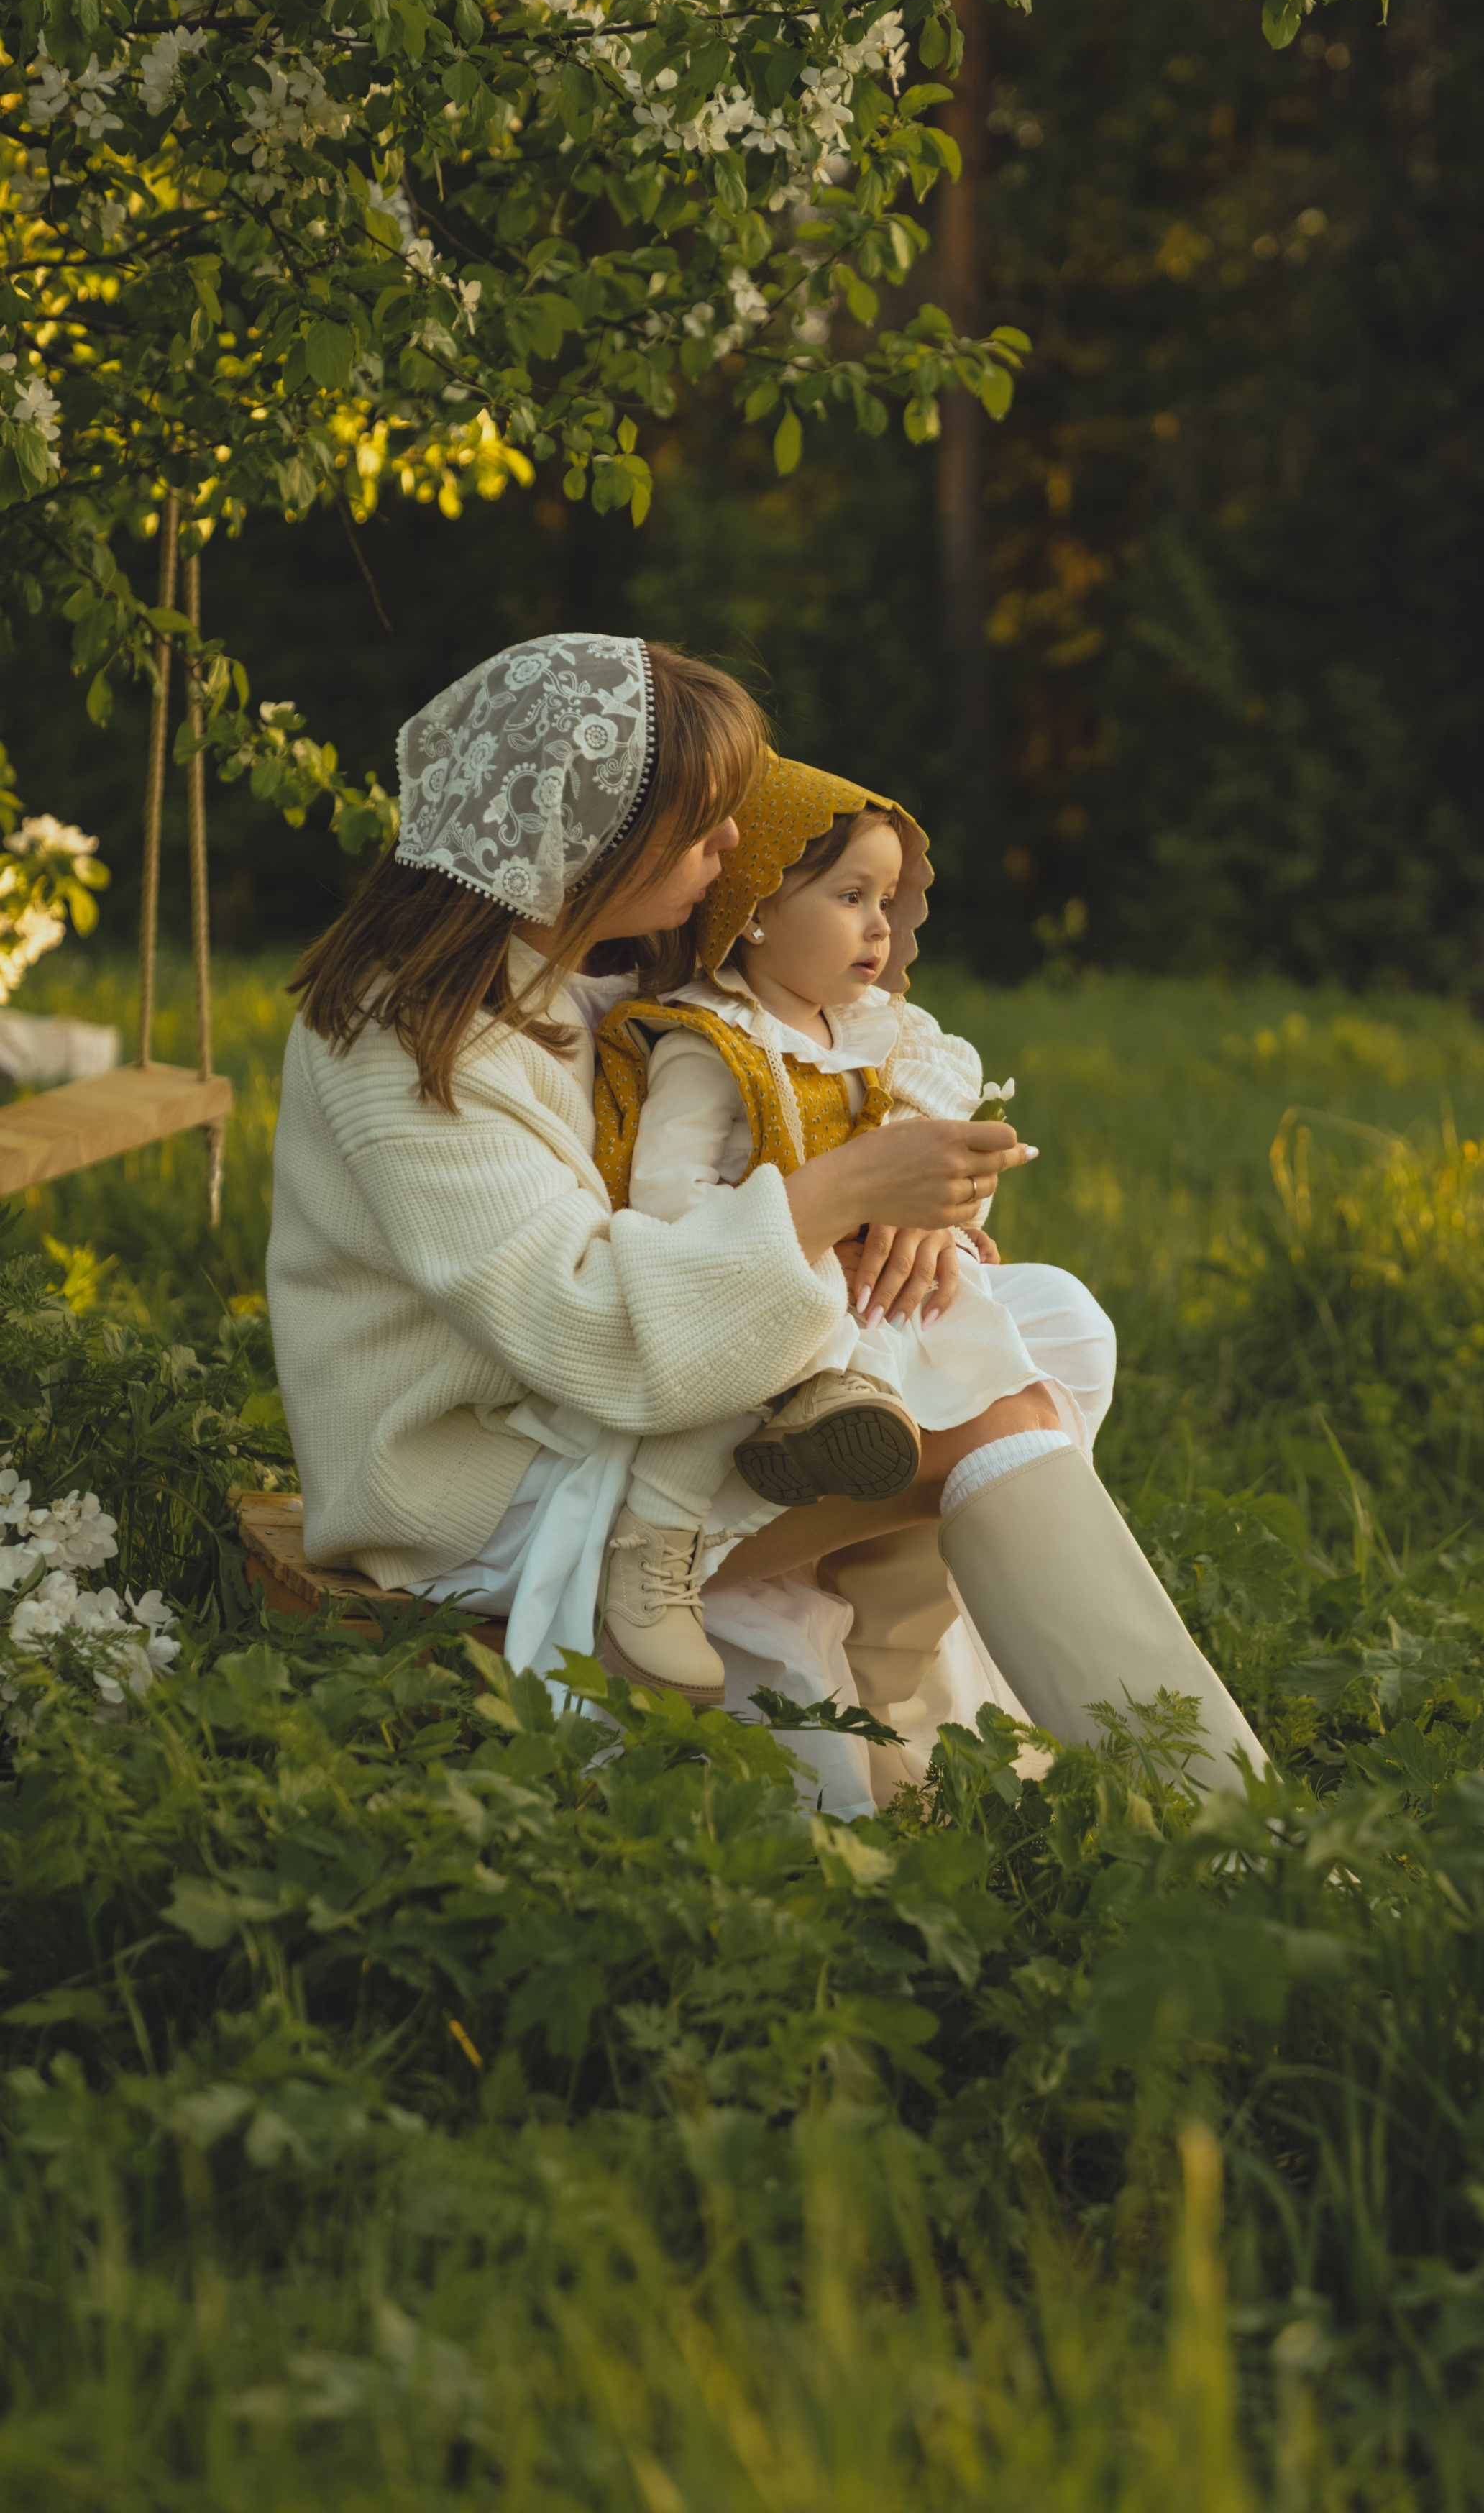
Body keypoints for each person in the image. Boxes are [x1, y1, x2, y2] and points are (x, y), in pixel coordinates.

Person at [267, 632, 1264, 1812]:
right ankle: (1220, 1815)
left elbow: (817, 1091)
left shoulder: (591, 977)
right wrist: (842, 1198)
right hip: (482, 1474)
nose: (733, 847)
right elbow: (587, 1325)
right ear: (588, 844)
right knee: (996, 1408)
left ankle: (882, 1707)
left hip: (614, 1410)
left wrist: (912, 1221)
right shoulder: (404, 1041)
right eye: (699, 826)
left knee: (1042, 1318)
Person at [587, 752, 1117, 1717]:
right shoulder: (712, 1046)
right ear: (753, 906)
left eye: (888, 899)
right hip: (750, 1289)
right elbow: (665, 1200)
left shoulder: (873, 1030)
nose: (879, 924)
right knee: (725, 1397)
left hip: (855, 1293)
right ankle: (656, 1547)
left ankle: (896, 1561)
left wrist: (950, 1209)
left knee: (1012, 1335)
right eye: (849, 895)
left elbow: (936, 1102)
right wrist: (812, 1229)